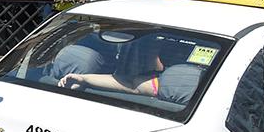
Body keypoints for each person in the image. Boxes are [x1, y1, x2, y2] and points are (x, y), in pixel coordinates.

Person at [58, 34, 192, 97]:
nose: (119, 56)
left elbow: (133, 85)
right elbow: (132, 85)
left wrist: (83, 79)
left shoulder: (45, 77)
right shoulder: (173, 82)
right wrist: (83, 79)